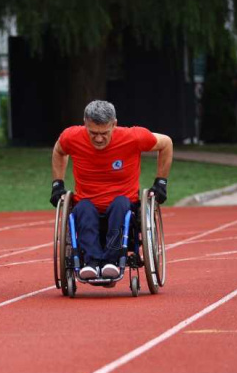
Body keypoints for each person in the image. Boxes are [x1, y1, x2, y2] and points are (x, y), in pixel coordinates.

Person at [50, 100, 172, 281]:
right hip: (88, 204)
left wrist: (160, 182)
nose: (99, 138)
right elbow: (59, 150)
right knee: (82, 207)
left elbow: (166, 143)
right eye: (93, 133)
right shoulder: (71, 137)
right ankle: (91, 263)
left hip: (123, 204)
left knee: (120, 204)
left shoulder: (133, 137)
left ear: (114, 124)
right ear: (85, 123)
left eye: (104, 133)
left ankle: (111, 261)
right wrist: (57, 183)